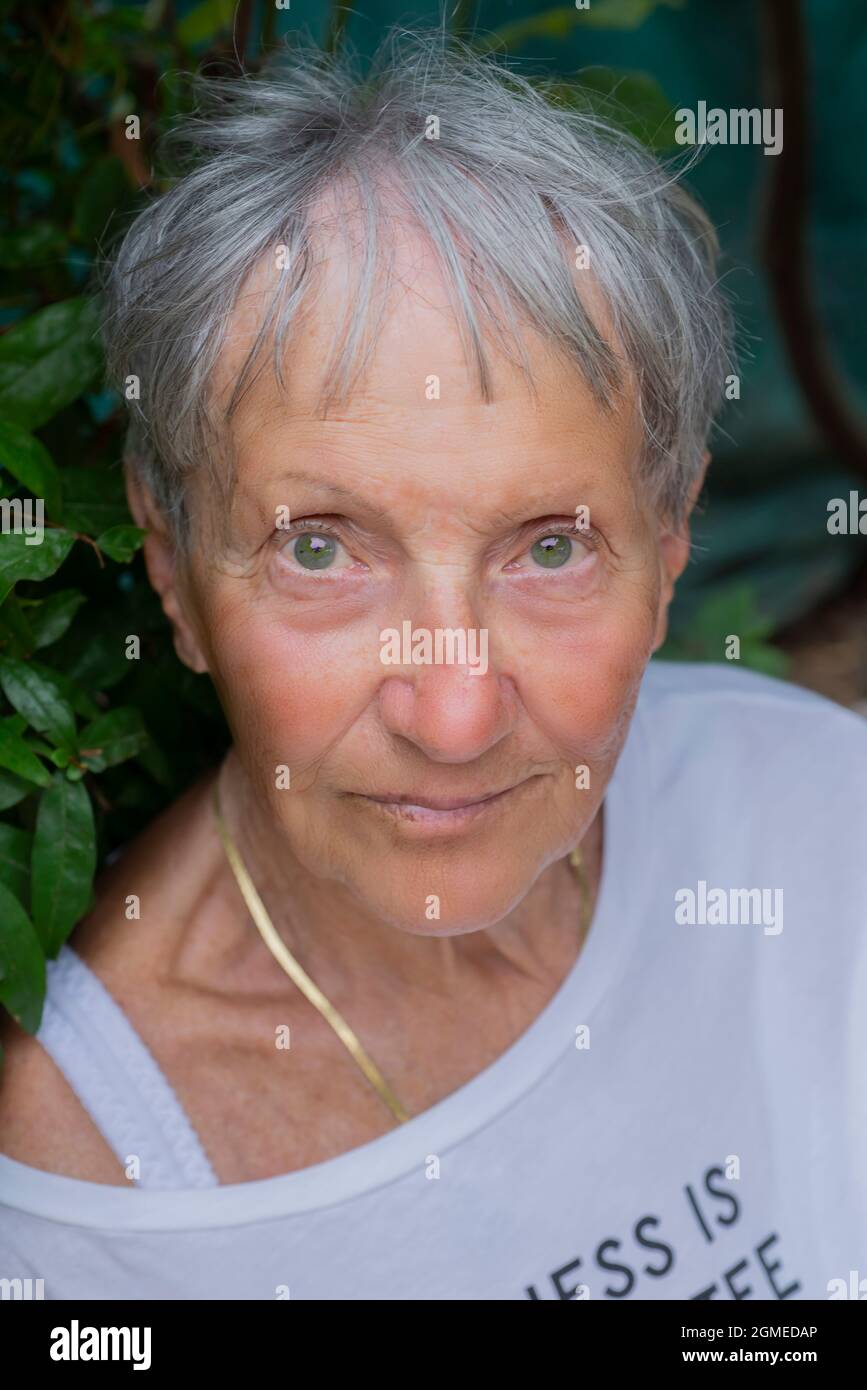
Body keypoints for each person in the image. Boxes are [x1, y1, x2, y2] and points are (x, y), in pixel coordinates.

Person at [1, 28, 865, 1302]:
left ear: (673, 534)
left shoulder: (818, 818)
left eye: (551, 547)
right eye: (320, 549)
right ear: (173, 566)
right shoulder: (79, 1208)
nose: (454, 715)